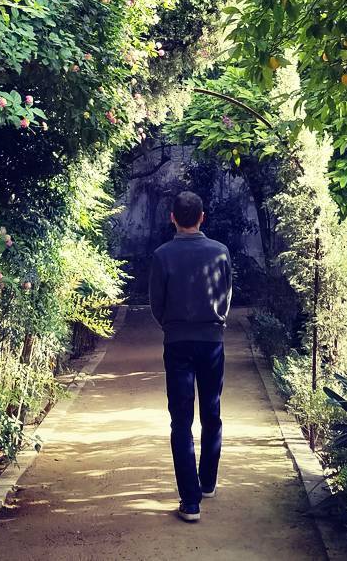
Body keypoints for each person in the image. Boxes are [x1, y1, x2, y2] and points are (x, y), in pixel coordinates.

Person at [148, 190, 233, 523]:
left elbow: (157, 303)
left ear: (172, 218)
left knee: (181, 420)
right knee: (212, 413)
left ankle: (191, 501)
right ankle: (208, 482)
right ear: (202, 217)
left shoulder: (162, 255)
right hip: (212, 341)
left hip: (178, 343)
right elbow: (226, 297)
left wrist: (173, 326)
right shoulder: (220, 252)